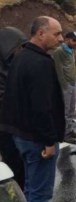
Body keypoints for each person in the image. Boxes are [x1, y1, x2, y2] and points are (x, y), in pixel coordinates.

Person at [0, 16, 65, 202]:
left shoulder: (21, 57)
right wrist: (48, 141)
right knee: (40, 194)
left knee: (29, 187)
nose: (61, 39)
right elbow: (42, 107)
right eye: (56, 34)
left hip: (22, 136)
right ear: (41, 33)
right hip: (37, 141)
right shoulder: (40, 63)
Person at [0, 27, 27, 190]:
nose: (22, 51)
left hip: (11, 127)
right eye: (20, 47)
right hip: (6, 128)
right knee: (14, 167)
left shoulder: (10, 67)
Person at [52, 31, 76, 143]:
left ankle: (70, 131)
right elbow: (58, 70)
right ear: (67, 40)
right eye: (74, 40)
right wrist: (64, 86)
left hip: (72, 83)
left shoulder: (71, 51)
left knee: (71, 110)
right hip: (66, 85)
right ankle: (64, 134)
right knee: (65, 111)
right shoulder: (59, 51)